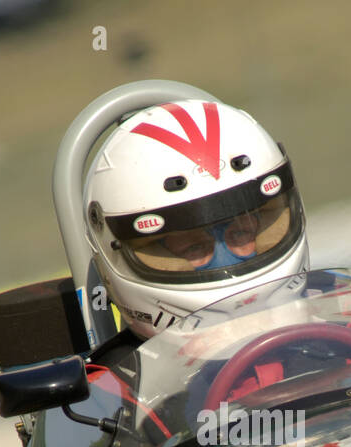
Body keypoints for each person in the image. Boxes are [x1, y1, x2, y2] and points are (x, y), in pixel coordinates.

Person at [83, 99, 309, 340]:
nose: (224, 262)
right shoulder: (107, 377)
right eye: (192, 247)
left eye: (241, 233)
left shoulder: (344, 312)